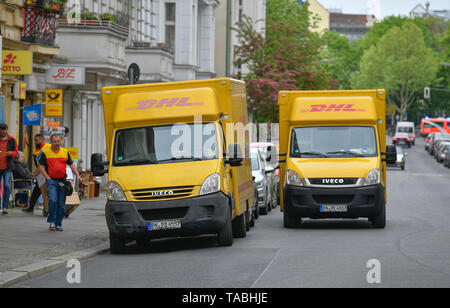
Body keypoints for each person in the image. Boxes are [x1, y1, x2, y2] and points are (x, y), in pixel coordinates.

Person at [38, 134, 81, 231]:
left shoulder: (65, 152)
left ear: (60, 141)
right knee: (53, 200)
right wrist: (47, 177)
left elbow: (71, 165)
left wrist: (77, 175)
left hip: (62, 181)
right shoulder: (46, 152)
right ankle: (52, 221)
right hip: (51, 181)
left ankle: (58, 224)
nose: (56, 143)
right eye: (54, 141)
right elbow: (40, 165)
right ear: (51, 142)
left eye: (58, 141)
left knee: (61, 204)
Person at [22, 134, 50, 214]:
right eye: (34, 140)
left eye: (36, 140)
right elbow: (37, 164)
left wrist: (35, 174)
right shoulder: (35, 151)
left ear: (41, 140)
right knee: (38, 190)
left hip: (48, 172)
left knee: (43, 191)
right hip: (41, 173)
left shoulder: (47, 147)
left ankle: (41, 209)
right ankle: (32, 208)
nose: (35, 142)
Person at [0, 123, 18, 215]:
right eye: (1, 130)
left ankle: (4, 206)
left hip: (7, 167)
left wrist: (10, 153)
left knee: (7, 185)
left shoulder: (12, 139)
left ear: (7, 130)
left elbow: (16, 152)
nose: (3, 132)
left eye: (4, 130)